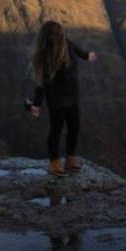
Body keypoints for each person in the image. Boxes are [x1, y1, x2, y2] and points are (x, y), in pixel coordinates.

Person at [30, 21, 97, 177]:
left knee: (74, 127)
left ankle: (70, 158)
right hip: (57, 99)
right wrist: (37, 104)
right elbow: (41, 83)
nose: (56, 37)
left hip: (72, 95)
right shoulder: (46, 56)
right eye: (53, 34)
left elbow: (78, 50)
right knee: (56, 130)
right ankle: (54, 162)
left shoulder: (67, 43)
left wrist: (87, 55)